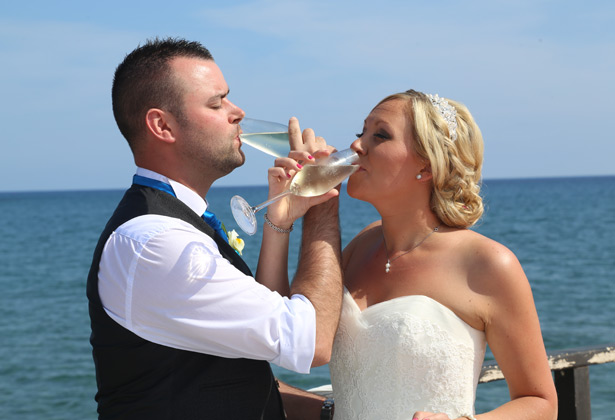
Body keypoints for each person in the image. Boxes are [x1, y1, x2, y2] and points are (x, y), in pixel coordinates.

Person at [86, 37, 343, 419]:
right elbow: (313, 340)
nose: (237, 112)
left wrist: (281, 220)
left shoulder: (170, 223)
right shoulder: (158, 245)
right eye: (216, 103)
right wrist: (324, 200)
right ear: (162, 125)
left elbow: (250, 349)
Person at [286, 90, 558, 419]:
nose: (357, 146)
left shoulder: (487, 263)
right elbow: (290, 331)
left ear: (426, 166)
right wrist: (286, 216)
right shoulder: (359, 246)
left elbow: (541, 402)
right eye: (361, 133)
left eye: (380, 135)